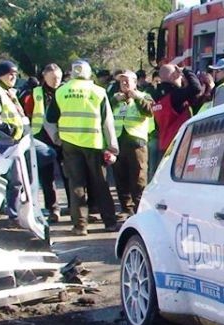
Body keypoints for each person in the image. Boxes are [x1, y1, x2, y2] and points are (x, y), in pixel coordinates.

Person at [45, 59, 119, 235]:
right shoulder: (98, 92)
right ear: (89, 73)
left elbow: (49, 119)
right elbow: (107, 122)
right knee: (100, 184)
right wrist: (112, 147)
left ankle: (80, 226)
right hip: (94, 144)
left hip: (70, 144)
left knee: (76, 185)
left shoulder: (61, 91)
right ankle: (109, 222)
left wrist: (57, 138)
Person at [0, 60, 28, 221]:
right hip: (3, 144)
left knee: (17, 180)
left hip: (15, 142)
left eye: (15, 74)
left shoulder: (7, 91)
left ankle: (12, 210)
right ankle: (12, 213)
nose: (13, 77)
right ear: (1, 75)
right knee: (14, 180)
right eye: (10, 74)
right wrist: (12, 131)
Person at [22, 63, 64, 223]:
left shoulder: (66, 91)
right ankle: (53, 208)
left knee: (69, 175)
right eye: (52, 78)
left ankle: (75, 208)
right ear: (44, 77)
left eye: (58, 78)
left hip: (64, 137)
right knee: (47, 177)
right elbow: (28, 112)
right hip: (42, 138)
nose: (55, 81)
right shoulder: (35, 93)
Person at [110, 71, 154, 216]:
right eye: (122, 81)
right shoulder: (116, 98)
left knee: (138, 178)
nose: (124, 84)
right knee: (120, 177)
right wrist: (114, 100)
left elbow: (149, 111)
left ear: (135, 83)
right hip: (118, 141)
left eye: (127, 81)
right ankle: (126, 209)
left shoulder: (144, 96)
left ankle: (140, 209)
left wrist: (137, 98)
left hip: (137, 142)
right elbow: (106, 112)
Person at [153, 64, 201, 154]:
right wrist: (186, 70)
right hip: (178, 143)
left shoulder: (156, 96)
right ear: (175, 76)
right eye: (180, 76)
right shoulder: (174, 96)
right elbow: (196, 88)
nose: (181, 79)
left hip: (164, 144)